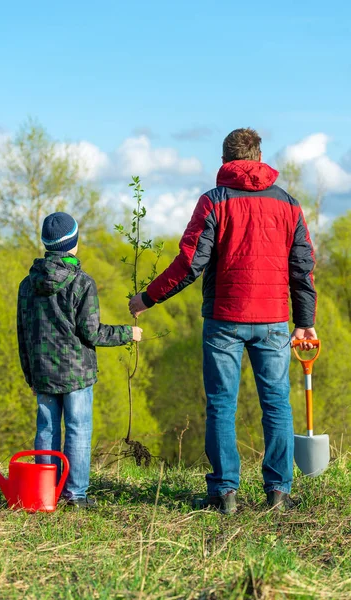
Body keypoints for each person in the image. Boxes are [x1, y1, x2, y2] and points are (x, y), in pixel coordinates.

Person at [129, 128, 317, 513]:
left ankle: (224, 493)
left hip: (224, 319)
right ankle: (278, 493)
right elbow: (302, 267)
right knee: (278, 404)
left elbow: (190, 262)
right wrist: (305, 319)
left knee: (220, 405)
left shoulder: (213, 202)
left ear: (224, 161)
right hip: (274, 321)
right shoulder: (289, 205)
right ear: (259, 157)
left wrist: (149, 297)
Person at [17, 212, 142, 509]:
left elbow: (22, 333)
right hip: (77, 374)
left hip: (43, 372)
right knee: (78, 429)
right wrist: (128, 333)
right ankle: (75, 495)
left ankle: (45, 492)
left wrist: (29, 375)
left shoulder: (27, 284)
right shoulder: (82, 283)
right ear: (74, 243)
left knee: (46, 429)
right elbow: (92, 332)